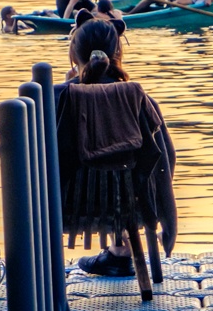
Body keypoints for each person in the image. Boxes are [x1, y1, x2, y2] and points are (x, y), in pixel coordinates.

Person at [55, 18, 176, 277]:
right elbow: (166, 158)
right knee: (127, 171)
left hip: (64, 206)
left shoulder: (56, 97)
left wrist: (70, 85)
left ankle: (49, 280)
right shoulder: (138, 98)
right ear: (117, 52)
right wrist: (163, 209)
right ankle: (121, 253)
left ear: (74, 54)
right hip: (131, 205)